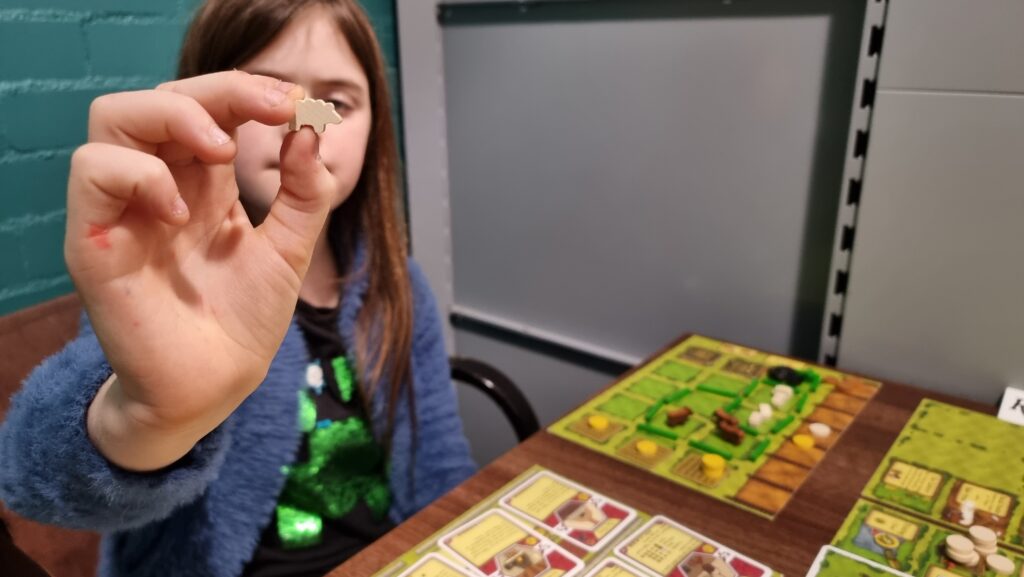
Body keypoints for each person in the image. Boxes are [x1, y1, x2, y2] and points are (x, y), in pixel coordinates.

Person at [0, 1, 476, 576]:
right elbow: (32, 483)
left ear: (376, 125)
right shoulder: (168, 285)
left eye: (336, 104)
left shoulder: (399, 286)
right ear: (205, 112)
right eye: (268, 95)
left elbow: (442, 470)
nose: (304, 124)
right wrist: (146, 419)